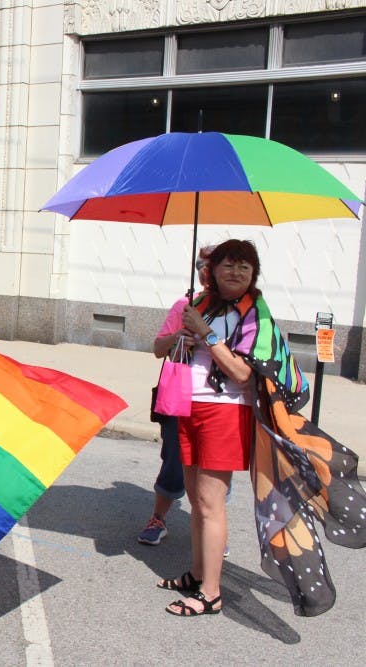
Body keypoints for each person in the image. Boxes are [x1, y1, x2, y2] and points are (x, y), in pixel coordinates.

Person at [158, 239, 263, 617]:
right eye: (227, 265)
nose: (235, 273)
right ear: (212, 271)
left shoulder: (255, 314)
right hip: (189, 405)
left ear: (253, 274)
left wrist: (206, 333)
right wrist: (181, 338)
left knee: (210, 502)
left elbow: (242, 372)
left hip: (226, 409)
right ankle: (197, 573)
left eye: (244, 267)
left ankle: (212, 593)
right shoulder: (201, 304)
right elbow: (165, 350)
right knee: (195, 499)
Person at [138, 246, 215, 546]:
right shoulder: (184, 305)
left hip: (216, 399)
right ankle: (158, 518)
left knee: (213, 466)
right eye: (201, 265)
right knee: (174, 459)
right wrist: (177, 337)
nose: (205, 271)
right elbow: (158, 349)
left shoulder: (234, 311)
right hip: (180, 396)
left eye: (212, 265)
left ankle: (209, 522)